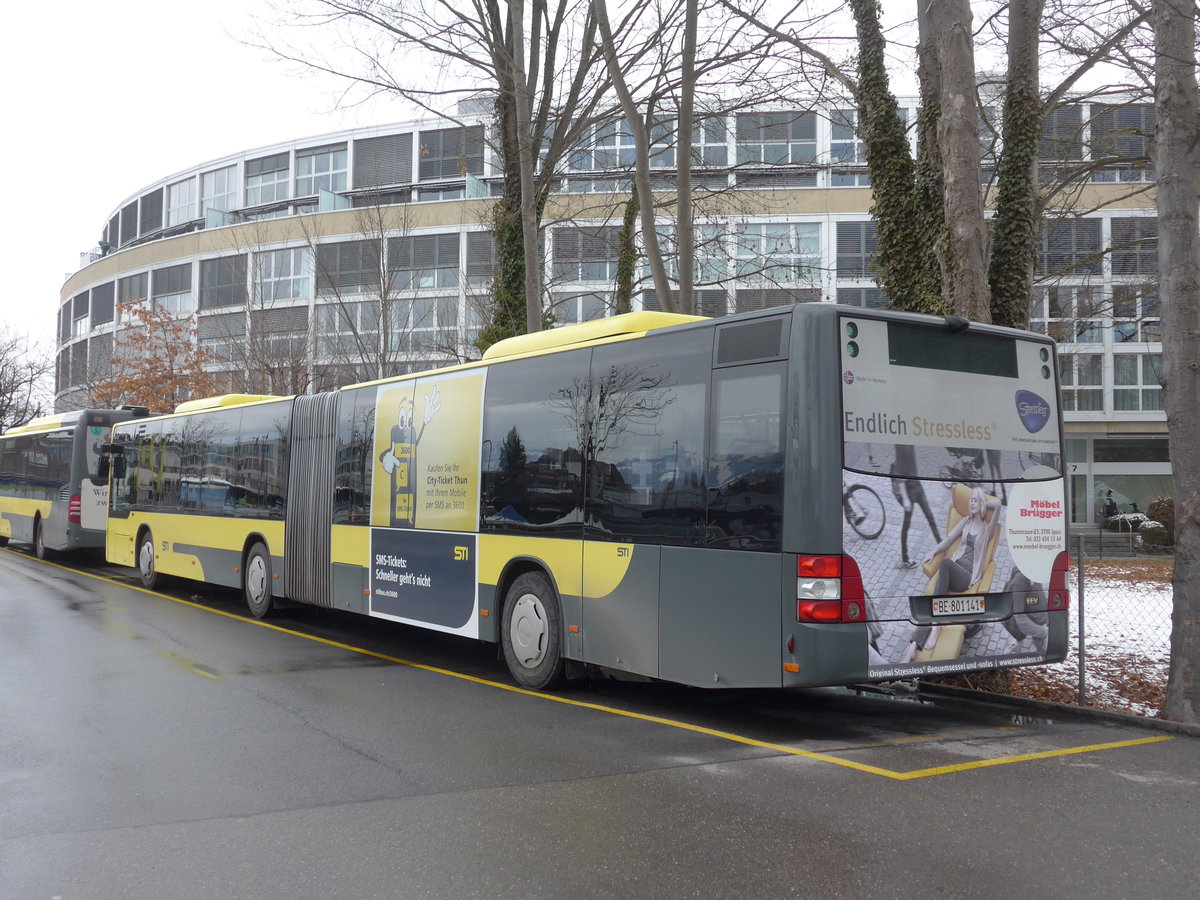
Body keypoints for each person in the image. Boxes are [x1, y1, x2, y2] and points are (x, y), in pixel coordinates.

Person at [922, 486, 1002, 595]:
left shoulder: (987, 530)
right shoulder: (966, 521)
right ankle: (937, 607)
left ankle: (937, 604)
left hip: (966, 576)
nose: (972, 503)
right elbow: (949, 539)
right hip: (954, 568)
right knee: (940, 585)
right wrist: (933, 551)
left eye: (976, 501)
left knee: (945, 562)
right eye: (971, 500)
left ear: (981, 504)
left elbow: (998, 504)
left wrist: (984, 504)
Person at [891, 443, 940, 569]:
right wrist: (906, 499)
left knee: (931, 518)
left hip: (918, 487)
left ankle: (941, 547)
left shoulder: (908, 440)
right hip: (910, 491)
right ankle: (905, 558)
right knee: (906, 525)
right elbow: (900, 477)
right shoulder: (900, 446)